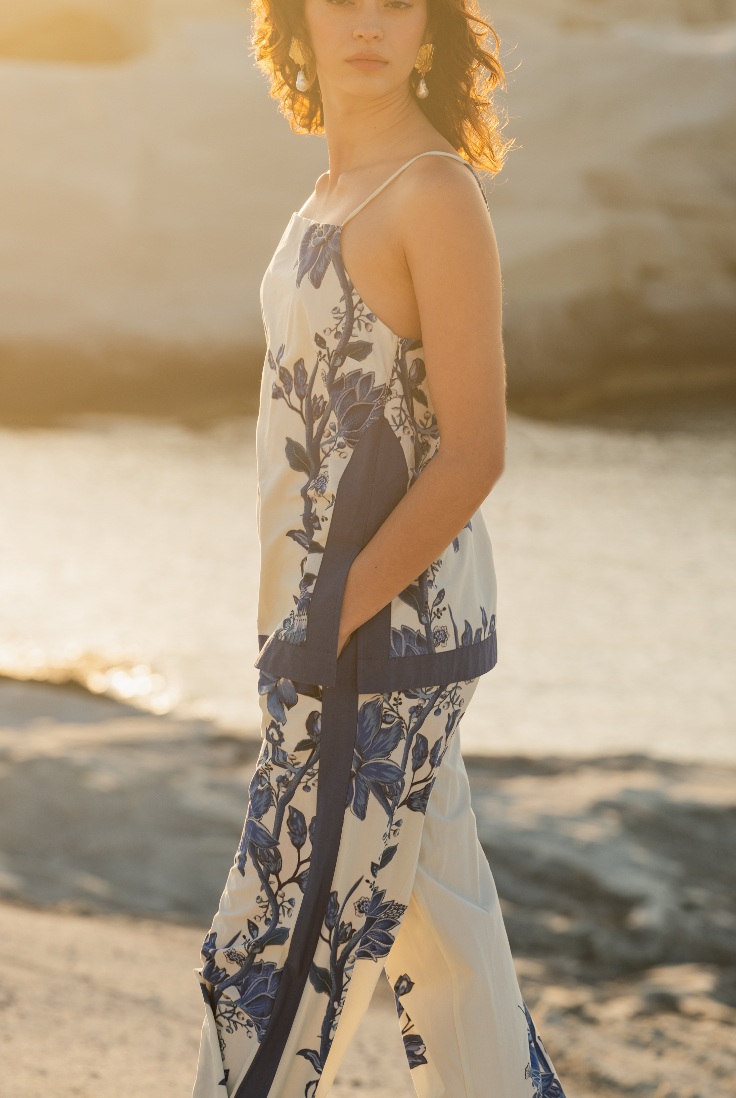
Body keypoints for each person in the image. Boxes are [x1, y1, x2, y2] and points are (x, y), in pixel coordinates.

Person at [193, 0, 566, 1096]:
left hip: (375, 650)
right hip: (338, 634)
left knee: (267, 956)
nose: (366, 21)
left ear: (433, 27)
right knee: (449, 955)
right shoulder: (326, 194)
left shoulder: (433, 194)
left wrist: (333, 611)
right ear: (294, 21)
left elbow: (475, 449)